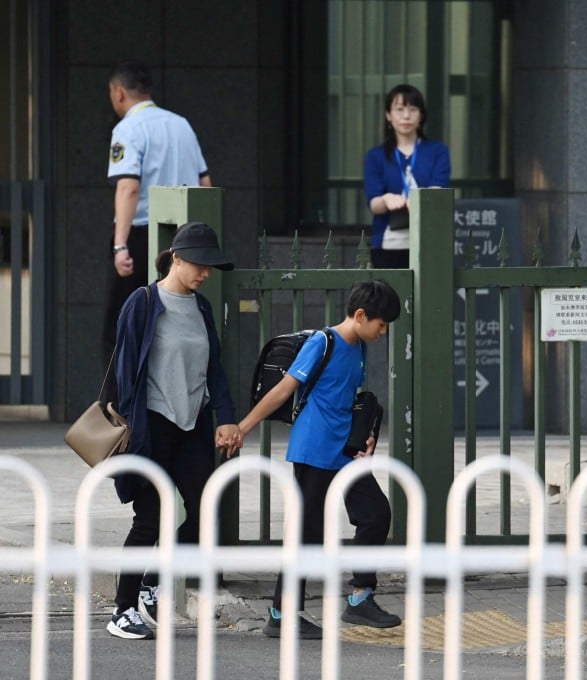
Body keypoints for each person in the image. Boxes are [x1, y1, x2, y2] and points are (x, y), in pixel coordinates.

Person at [237, 279, 403, 638]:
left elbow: (347, 396)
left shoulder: (359, 345)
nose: (383, 331)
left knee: (376, 514)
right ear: (360, 315)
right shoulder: (322, 342)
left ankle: (360, 599)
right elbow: (283, 389)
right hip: (314, 449)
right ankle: (281, 615)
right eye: (381, 323)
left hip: (345, 450)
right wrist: (243, 427)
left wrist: (367, 434)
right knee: (307, 533)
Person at [110, 222, 242, 639]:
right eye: (199, 265)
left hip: (192, 424)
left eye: (211, 267)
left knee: (200, 510)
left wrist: (225, 415)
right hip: (152, 425)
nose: (205, 273)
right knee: (150, 517)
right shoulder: (143, 301)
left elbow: (214, 368)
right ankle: (122, 609)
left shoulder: (201, 308)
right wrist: (129, 425)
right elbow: (123, 367)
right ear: (177, 258)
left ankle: (152, 581)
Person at [103, 60, 212, 404]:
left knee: (121, 328)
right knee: (171, 325)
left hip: (141, 235)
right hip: (183, 240)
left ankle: (119, 409)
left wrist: (120, 245)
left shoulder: (128, 128)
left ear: (119, 92)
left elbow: (128, 188)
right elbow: (205, 184)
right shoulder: (182, 125)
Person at [363, 84, 451, 269]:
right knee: (389, 296)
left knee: (429, 296)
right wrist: (386, 199)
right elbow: (374, 204)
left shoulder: (437, 151)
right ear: (388, 115)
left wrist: (420, 201)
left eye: (412, 109)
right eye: (399, 109)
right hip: (388, 243)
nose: (406, 116)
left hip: (429, 240)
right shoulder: (376, 156)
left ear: (421, 116)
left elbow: (438, 190)